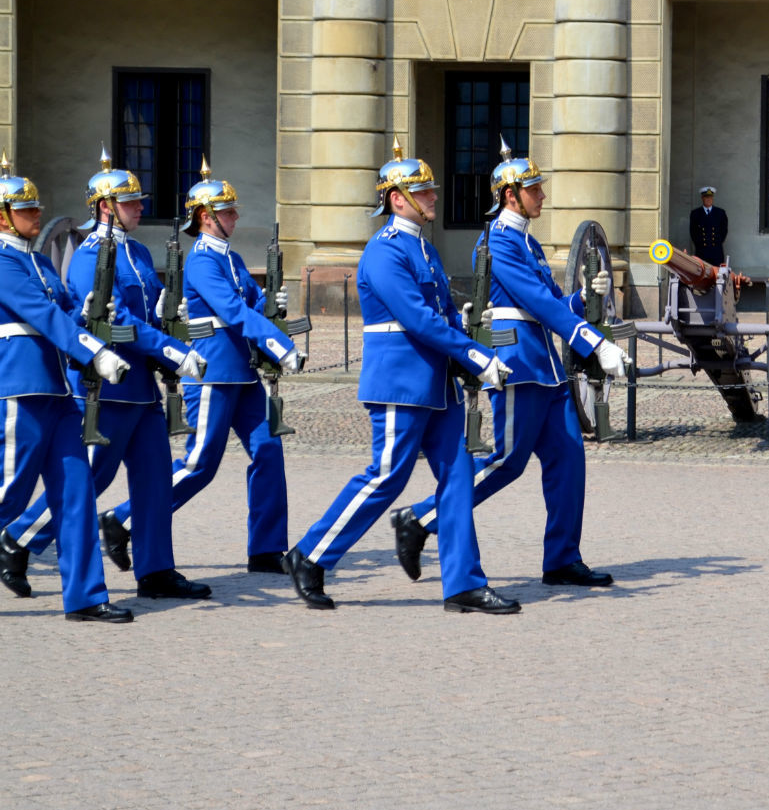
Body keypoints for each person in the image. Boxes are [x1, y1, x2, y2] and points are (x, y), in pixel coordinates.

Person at [284, 144, 519, 614]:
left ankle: (463, 584)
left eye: (431, 190)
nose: (433, 197)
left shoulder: (424, 249)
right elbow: (417, 319)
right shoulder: (385, 251)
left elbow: (445, 315)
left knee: (457, 480)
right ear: (397, 199)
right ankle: (310, 554)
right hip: (401, 382)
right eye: (423, 192)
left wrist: (470, 337)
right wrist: (475, 356)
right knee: (386, 477)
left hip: (436, 384)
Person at [389, 143, 629, 591]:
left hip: (546, 366)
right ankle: (419, 518)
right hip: (517, 361)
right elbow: (534, 303)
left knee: (569, 458)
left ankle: (562, 558)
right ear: (510, 195)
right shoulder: (498, 239)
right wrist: (593, 342)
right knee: (505, 461)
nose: (542, 196)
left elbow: (551, 304)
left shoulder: (527, 241)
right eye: (534, 189)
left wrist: (583, 297)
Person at [1, 150, 210, 601]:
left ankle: (155, 569)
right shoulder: (89, 256)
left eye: (138, 202)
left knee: (154, 483)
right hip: (107, 386)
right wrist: (167, 349)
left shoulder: (134, 250)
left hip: (142, 387)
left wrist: (172, 325)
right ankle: (21, 539)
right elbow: (102, 325)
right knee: (89, 478)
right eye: (131, 203)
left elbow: (139, 316)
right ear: (105, 207)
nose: (139, 208)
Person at [98, 160, 300, 574]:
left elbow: (248, 304)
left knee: (269, 450)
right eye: (227, 212)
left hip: (242, 372)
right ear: (207, 218)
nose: (235, 217)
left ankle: (265, 548)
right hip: (212, 372)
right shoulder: (203, 260)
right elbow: (230, 310)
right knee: (200, 463)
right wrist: (279, 343)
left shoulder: (232, 258)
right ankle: (122, 518)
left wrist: (271, 306)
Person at [0, 154, 133, 622]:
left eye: (37, 210)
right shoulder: (2, 261)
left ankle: (86, 597)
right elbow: (41, 316)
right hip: (20, 386)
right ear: (3, 216)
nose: (37, 216)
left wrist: (89, 311)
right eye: (27, 211)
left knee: (75, 493)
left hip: (55, 389)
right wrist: (93, 350)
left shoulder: (36, 261)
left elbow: (64, 311)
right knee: (8, 495)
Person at [689, 186, 728, 265]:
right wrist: (699, 244)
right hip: (701, 251)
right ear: (702, 198)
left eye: (710, 197)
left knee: (717, 274)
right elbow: (693, 232)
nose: (708, 199)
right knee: (702, 274)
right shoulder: (695, 213)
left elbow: (724, 231)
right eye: (706, 197)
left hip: (716, 251)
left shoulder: (720, 213)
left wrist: (718, 242)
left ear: (713, 198)